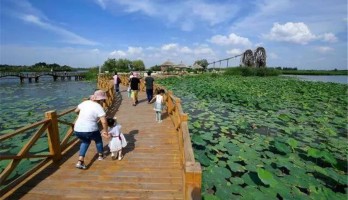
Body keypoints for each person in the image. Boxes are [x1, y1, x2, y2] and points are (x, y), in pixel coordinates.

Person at [74, 90, 109, 169]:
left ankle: (80, 161)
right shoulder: (98, 107)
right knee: (98, 140)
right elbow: (104, 122)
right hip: (90, 129)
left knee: (85, 141)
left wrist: (82, 116)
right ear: (101, 100)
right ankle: (100, 155)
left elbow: (75, 111)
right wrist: (105, 131)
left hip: (77, 129)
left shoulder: (84, 103)